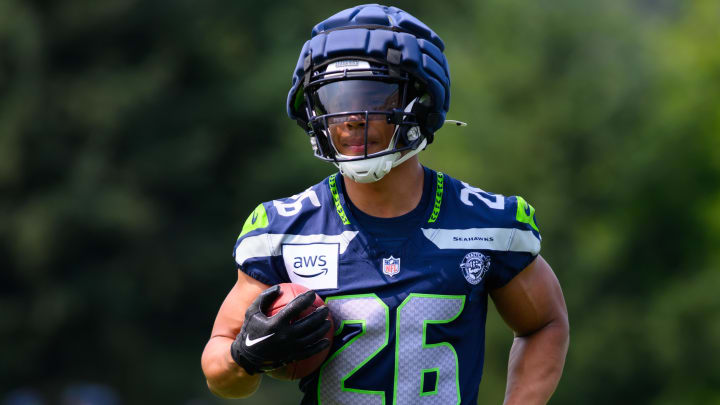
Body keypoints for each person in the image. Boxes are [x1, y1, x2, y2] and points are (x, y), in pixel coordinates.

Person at [201, 4, 569, 404]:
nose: (350, 118)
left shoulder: (486, 222)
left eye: (371, 96)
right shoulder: (283, 229)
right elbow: (221, 373)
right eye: (333, 98)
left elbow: (544, 323)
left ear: (421, 101)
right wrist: (245, 355)